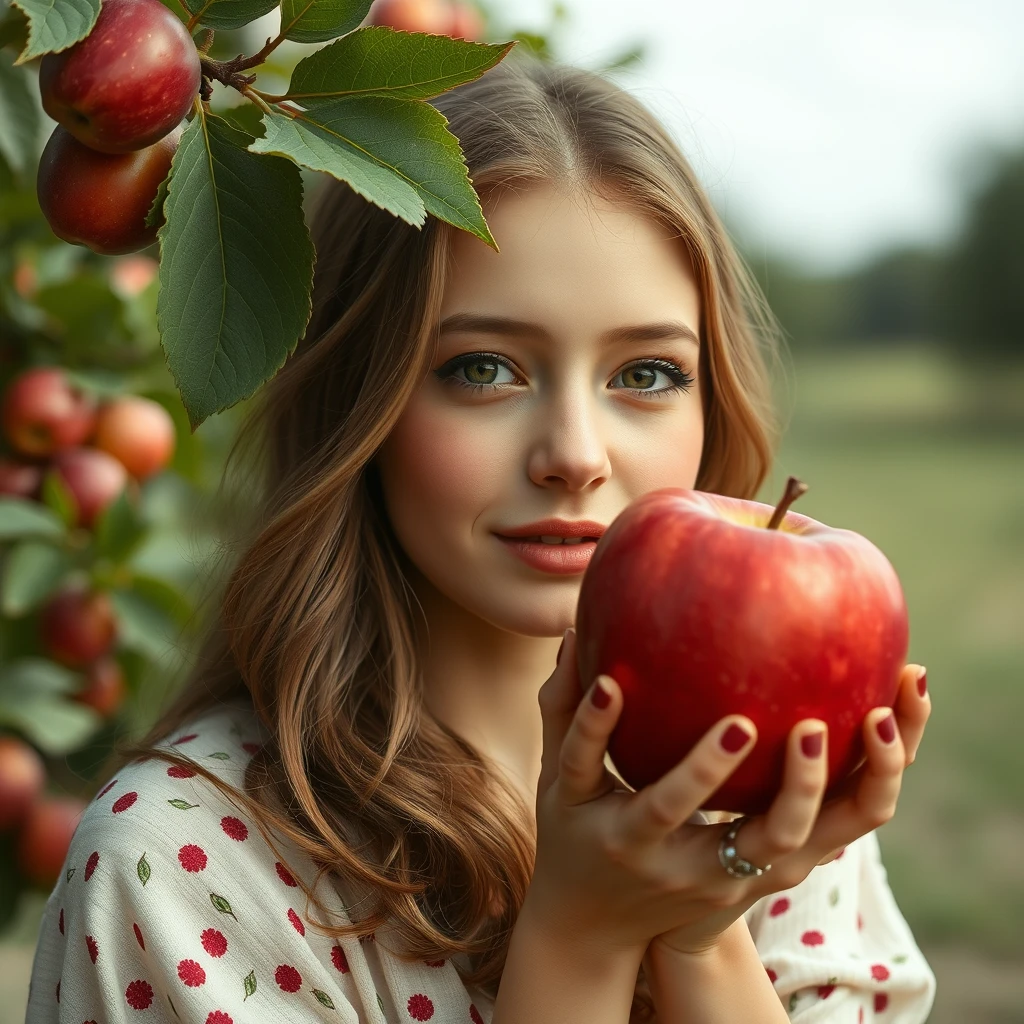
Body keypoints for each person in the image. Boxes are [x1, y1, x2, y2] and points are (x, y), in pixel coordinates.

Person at [25, 50, 937, 1023]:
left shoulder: (767, 804)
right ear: (358, 397)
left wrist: (701, 930)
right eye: (484, 369)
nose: (574, 455)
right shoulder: (184, 863)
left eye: (645, 375)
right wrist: (579, 938)